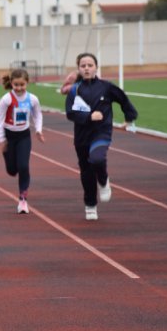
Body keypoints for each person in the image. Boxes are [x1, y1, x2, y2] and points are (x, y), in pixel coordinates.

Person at [65, 53, 138, 221]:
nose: (87, 68)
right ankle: (90, 205)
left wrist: (129, 118)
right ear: (79, 69)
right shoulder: (74, 90)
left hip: (101, 133)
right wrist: (88, 117)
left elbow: (123, 99)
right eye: (83, 66)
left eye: (90, 65)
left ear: (96, 67)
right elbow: (70, 113)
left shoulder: (106, 87)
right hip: (82, 136)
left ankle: (104, 181)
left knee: (97, 159)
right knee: (86, 172)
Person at [0, 69, 45, 214]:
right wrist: (0, 138)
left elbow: (37, 115)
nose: (19, 88)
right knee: (12, 170)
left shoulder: (32, 99)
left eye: (22, 85)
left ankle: (23, 199)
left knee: (23, 166)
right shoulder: (7, 99)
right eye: (16, 85)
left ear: (27, 83)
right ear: (11, 83)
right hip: (9, 137)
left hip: (24, 136)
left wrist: (38, 130)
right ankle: (10, 162)